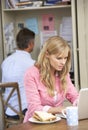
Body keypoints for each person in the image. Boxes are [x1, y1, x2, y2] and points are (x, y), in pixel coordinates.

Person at [23, 36, 79, 122]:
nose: (63, 62)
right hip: (36, 124)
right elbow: (34, 108)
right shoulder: (31, 74)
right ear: (47, 54)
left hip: (57, 122)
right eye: (59, 58)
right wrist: (58, 109)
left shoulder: (63, 73)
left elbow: (73, 95)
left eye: (65, 58)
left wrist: (78, 102)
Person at [1, 27, 35, 119]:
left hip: (7, 111)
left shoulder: (5, 62)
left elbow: (3, 87)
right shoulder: (32, 64)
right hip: (24, 111)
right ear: (30, 44)